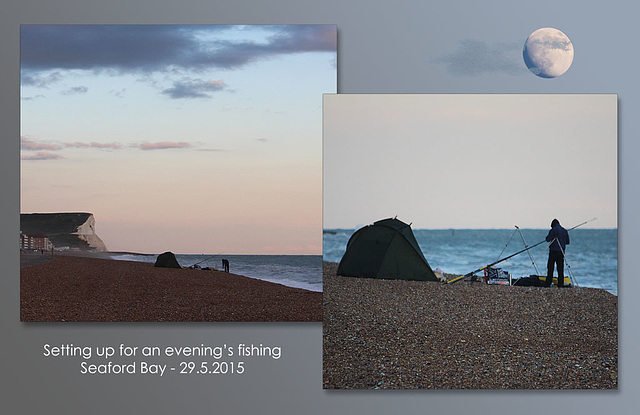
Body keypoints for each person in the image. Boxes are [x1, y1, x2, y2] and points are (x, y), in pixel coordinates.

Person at [545, 219, 570, 287]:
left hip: (553, 251)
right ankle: (560, 284)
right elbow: (568, 242)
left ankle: (548, 283)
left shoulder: (553, 230)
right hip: (561, 252)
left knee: (550, 268)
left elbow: (547, 239)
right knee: (560, 269)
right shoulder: (564, 230)